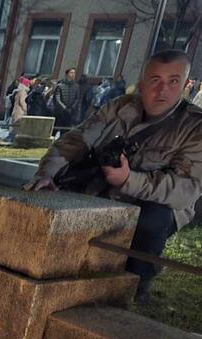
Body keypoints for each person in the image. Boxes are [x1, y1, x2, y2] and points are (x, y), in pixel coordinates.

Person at [25, 49, 202, 304]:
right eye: (155, 80)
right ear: (142, 83)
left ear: (187, 85)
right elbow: (77, 139)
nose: (162, 90)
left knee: (153, 218)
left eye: (173, 81)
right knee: (53, 195)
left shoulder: (194, 127)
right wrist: (47, 173)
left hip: (155, 203)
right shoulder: (120, 107)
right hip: (104, 185)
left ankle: (134, 284)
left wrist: (128, 181)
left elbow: (184, 190)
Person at [52, 67, 80, 132]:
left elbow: (77, 98)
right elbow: (57, 98)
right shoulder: (60, 85)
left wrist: (72, 108)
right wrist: (64, 108)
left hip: (70, 113)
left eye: (74, 73)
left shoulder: (76, 86)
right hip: (60, 112)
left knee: (66, 131)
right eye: (71, 72)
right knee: (55, 130)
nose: (73, 74)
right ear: (67, 74)